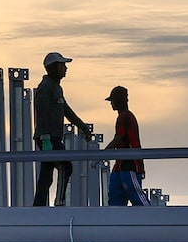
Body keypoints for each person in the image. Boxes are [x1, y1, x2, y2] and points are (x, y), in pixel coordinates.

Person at [33, 52, 93, 206]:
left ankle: (38, 207)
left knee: (46, 176)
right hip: (49, 138)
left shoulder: (56, 88)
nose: (65, 68)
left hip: (53, 137)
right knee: (66, 166)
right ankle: (59, 201)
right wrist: (45, 139)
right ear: (53, 68)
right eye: (62, 65)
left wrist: (83, 127)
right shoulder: (46, 87)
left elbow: (67, 111)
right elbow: (42, 112)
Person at [104, 85, 150, 206]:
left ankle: (153, 220)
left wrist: (102, 155)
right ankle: (118, 222)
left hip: (129, 164)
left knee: (137, 197)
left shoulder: (125, 117)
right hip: (121, 165)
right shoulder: (124, 117)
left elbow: (118, 138)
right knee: (116, 198)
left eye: (112, 100)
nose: (111, 104)